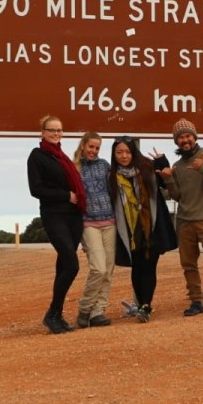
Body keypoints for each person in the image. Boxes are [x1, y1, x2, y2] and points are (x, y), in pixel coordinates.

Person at [157, 118, 203, 317]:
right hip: (184, 221)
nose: (185, 140)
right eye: (180, 137)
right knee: (188, 264)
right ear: (176, 141)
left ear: (194, 136)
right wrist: (169, 179)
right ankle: (196, 301)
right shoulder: (177, 165)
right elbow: (178, 196)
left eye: (188, 135)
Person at [27, 115, 87, 334]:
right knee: (72, 265)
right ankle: (52, 313)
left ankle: (57, 315)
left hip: (73, 216)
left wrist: (75, 199)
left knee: (63, 265)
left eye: (59, 130)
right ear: (42, 132)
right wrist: (66, 195)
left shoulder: (62, 156)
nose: (56, 133)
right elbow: (36, 189)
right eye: (52, 130)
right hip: (54, 215)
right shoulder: (37, 156)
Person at [108, 136, 177, 323]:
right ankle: (139, 305)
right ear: (114, 155)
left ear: (134, 153)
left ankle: (146, 305)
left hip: (151, 226)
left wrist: (162, 160)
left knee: (149, 266)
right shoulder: (112, 177)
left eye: (127, 152)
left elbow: (164, 178)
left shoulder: (147, 169)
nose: (124, 156)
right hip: (129, 228)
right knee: (137, 267)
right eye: (119, 152)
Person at [73, 132, 116, 328]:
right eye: (91, 147)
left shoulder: (105, 165)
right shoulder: (74, 168)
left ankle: (98, 312)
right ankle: (85, 308)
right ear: (83, 145)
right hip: (88, 223)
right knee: (98, 268)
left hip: (110, 222)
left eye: (97, 148)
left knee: (107, 270)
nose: (94, 151)